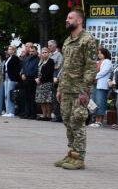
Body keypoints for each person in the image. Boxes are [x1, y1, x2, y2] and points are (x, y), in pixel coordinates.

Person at [56, 9, 97, 170]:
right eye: (67, 17)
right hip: (66, 88)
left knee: (78, 121)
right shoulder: (67, 41)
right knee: (67, 121)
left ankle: (79, 157)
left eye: (70, 17)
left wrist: (84, 90)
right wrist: (60, 88)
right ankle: (71, 152)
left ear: (79, 21)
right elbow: (65, 67)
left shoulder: (88, 40)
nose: (67, 20)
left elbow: (91, 67)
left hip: (79, 89)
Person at [91, 47, 112, 128]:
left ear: (105, 54)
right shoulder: (97, 62)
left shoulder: (107, 62)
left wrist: (94, 77)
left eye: (101, 53)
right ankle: (96, 120)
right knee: (94, 102)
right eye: (98, 53)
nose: (99, 54)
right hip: (94, 84)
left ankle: (100, 121)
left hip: (101, 85)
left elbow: (103, 72)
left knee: (101, 102)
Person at [35, 47, 55, 121]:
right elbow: (37, 71)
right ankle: (44, 115)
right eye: (42, 53)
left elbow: (49, 73)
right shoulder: (40, 62)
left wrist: (40, 79)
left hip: (47, 83)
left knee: (47, 100)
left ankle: (48, 115)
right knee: (41, 100)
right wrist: (36, 78)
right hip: (40, 84)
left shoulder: (51, 61)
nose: (44, 54)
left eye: (45, 52)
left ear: (48, 53)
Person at [19, 42, 39, 119]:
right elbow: (24, 68)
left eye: (33, 51)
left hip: (32, 80)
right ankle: (27, 112)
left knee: (32, 98)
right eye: (30, 51)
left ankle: (33, 114)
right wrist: (23, 74)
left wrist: (26, 75)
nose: (31, 53)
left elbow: (35, 71)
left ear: (36, 51)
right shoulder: (27, 59)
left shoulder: (38, 59)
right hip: (25, 80)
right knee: (26, 97)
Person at [1, 44, 19, 117]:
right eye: (8, 49)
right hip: (6, 76)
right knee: (5, 94)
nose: (9, 50)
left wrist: (15, 78)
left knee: (10, 94)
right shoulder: (8, 58)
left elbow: (16, 69)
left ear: (14, 50)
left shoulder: (15, 58)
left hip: (11, 77)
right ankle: (7, 111)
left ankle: (11, 111)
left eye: (11, 49)